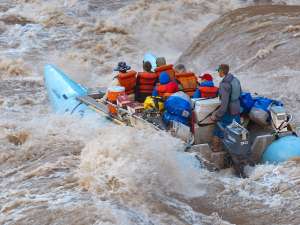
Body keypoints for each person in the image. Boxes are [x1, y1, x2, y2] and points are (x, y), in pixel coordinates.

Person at [210, 64, 245, 177]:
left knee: (217, 131)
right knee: (236, 132)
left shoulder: (224, 84)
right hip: (236, 110)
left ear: (222, 71)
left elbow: (224, 104)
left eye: (218, 71)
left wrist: (217, 115)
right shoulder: (235, 80)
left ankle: (215, 153)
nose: (218, 73)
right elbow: (239, 94)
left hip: (228, 112)